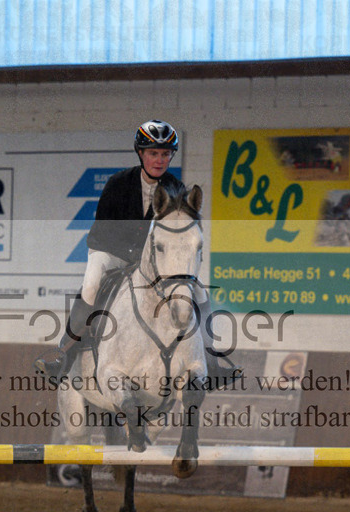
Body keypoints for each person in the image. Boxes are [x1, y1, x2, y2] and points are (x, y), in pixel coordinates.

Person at [34, 119, 241, 389]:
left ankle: (212, 363)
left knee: (200, 292)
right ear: (141, 154)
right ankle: (63, 355)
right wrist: (133, 254)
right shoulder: (118, 183)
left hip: (151, 260)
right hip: (110, 252)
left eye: (165, 154)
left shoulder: (175, 188)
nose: (160, 160)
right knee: (92, 286)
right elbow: (103, 230)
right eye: (153, 153)